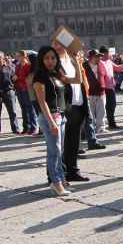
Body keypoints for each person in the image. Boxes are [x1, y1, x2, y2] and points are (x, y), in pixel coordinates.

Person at [33, 46, 80, 196]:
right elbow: (42, 102)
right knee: (54, 152)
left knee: (59, 151)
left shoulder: (57, 74)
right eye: (46, 58)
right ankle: (56, 183)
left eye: (53, 58)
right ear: (41, 59)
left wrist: (76, 62)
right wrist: (51, 122)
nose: (50, 61)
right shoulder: (39, 77)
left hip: (61, 116)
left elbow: (77, 80)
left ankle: (62, 180)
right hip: (50, 117)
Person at [52, 40, 90, 182]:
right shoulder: (53, 63)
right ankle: (57, 174)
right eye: (55, 43)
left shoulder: (73, 60)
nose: (58, 46)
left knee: (74, 141)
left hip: (78, 104)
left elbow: (80, 81)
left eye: (61, 43)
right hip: (64, 106)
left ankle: (72, 170)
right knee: (59, 144)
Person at [98, 46, 123, 130]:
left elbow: (117, 68)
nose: (110, 54)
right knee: (108, 106)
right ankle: (109, 123)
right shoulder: (100, 62)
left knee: (112, 106)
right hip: (105, 88)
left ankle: (111, 122)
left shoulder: (108, 61)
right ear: (104, 53)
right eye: (108, 52)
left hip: (111, 87)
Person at [82, 49, 106, 134]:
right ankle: (90, 128)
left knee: (101, 111)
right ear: (91, 58)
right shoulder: (84, 66)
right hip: (90, 93)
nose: (99, 58)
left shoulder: (101, 65)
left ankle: (100, 127)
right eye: (96, 57)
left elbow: (105, 75)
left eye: (99, 56)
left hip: (101, 92)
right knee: (90, 112)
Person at [14, 50, 38, 135]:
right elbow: (15, 74)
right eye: (17, 56)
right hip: (19, 88)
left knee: (30, 108)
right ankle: (26, 127)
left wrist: (18, 77)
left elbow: (29, 77)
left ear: (24, 56)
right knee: (23, 108)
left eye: (19, 56)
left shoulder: (28, 66)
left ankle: (33, 127)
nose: (17, 58)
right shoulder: (17, 66)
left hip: (26, 88)